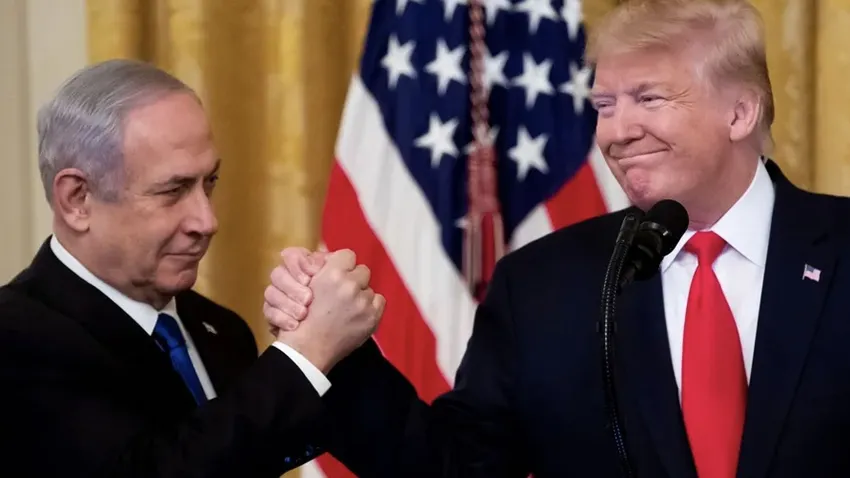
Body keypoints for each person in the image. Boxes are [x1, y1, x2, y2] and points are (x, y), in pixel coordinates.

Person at [264, 0, 850, 477]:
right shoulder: (542, 285)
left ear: (740, 113)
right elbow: (454, 466)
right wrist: (334, 353)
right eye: (604, 105)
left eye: (648, 98)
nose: (617, 132)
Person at [0, 59, 384, 477]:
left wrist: (328, 339)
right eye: (174, 190)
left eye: (209, 183)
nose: (207, 221)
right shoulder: (17, 336)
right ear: (77, 200)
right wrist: (306, 352)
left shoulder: (221, 330)